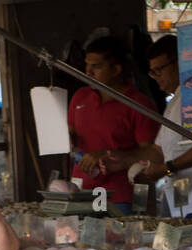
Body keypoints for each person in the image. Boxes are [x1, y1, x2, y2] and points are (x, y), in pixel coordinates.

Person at [68, 36, 162, 214]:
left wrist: (109, 155)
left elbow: (153, 154)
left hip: (119, 196)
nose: (88, 72)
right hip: (80, 193)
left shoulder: (139, 104)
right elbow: (69, 135)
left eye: (96, 66)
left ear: (116, 69)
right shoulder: (79, 97)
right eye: (87, 65)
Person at [137, 34, 192, 218]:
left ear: (179, 63)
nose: (156, 77)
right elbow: (159, 150)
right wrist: (125, 161)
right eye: (153, 72)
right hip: (177, 196)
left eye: (160, 69)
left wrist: (167, 168)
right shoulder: (174, 101)